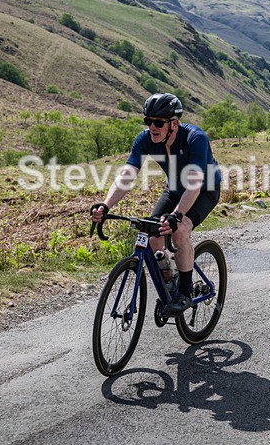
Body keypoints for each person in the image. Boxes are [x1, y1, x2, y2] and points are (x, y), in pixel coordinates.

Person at [90, 93, 222, 314]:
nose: (152, 126)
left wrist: (177, 215)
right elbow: (126, 175)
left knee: (179, 230)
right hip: (174, 189)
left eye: (158, 122)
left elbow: (194, 185)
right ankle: (170, 280)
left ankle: (184, 292)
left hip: (203, 190)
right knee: (153, 237)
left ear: (174, 123)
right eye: (148, 121)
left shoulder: (195, 138)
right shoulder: (145, 139)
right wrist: (105, 206)